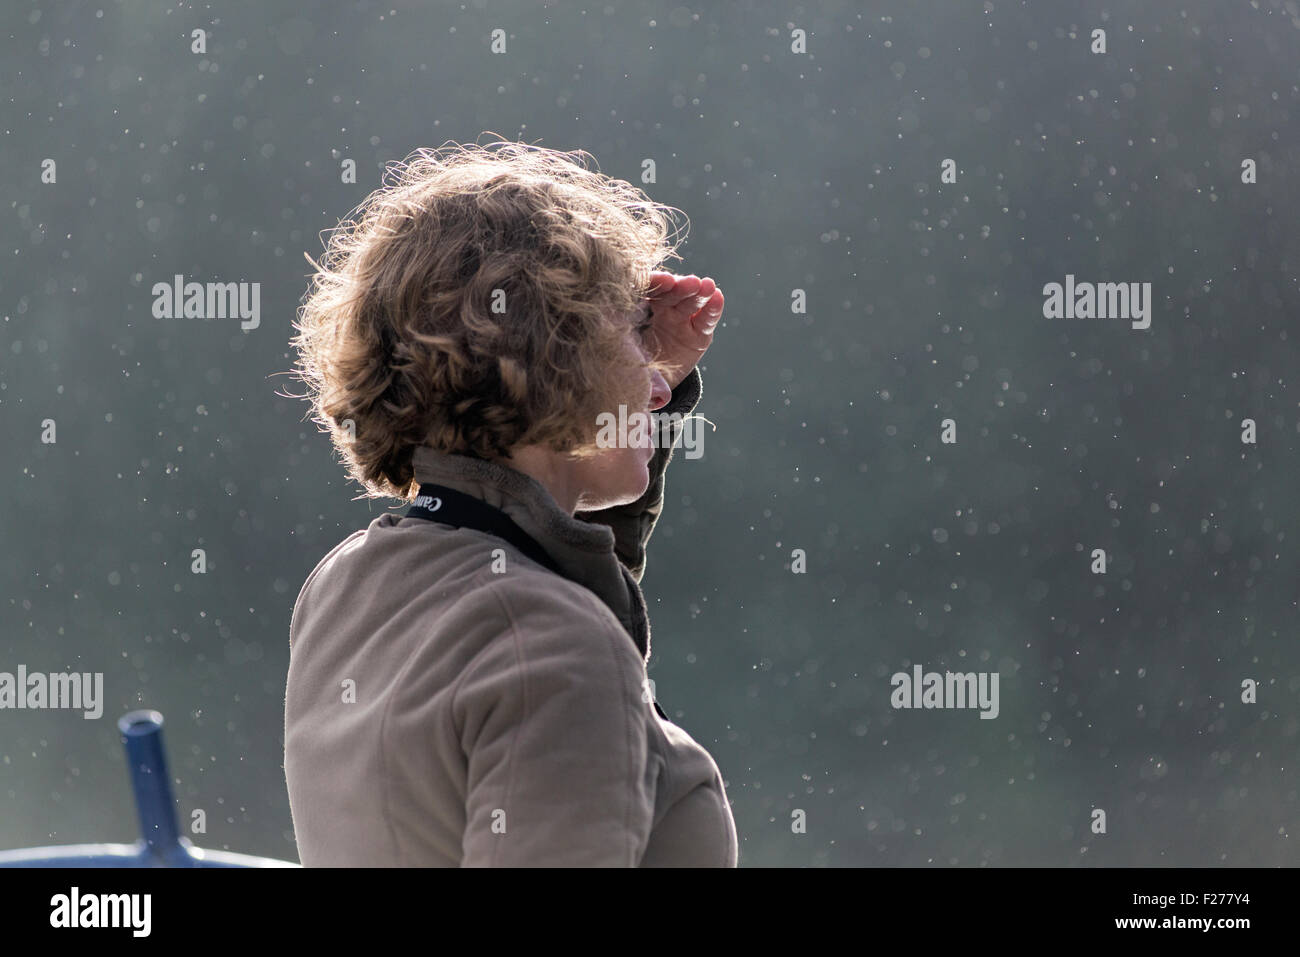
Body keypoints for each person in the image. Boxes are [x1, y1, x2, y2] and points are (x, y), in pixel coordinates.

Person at [283, 138, 737, 866]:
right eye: (630, 334)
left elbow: (528, 567)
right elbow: (548, 631)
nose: (657, 386)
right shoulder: (560, 649)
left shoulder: (345, 587)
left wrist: (641, 401)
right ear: (553, 358)